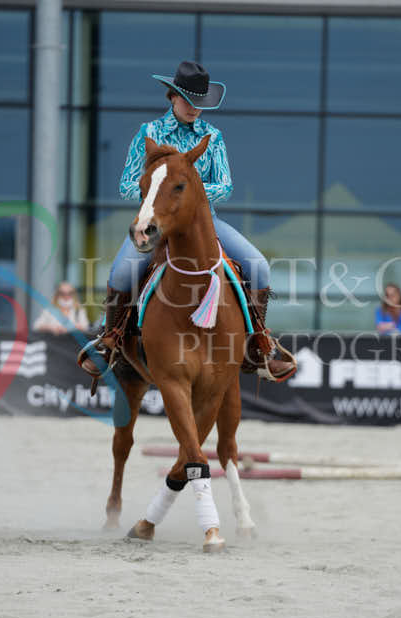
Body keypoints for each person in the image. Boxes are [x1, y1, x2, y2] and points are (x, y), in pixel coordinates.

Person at [78, 60, 295, 381]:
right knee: (122, 272)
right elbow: (126, 184)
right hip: (156, 220)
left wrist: (189, 193)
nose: (195, 108)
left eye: (200, 102)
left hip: (204, 221)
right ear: (173, 96)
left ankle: (259, 343)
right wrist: (160, 193)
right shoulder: (149, 133)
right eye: (188, 100)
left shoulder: (213, 136)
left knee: (259, 265)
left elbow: (225, 186)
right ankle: (109, 341)